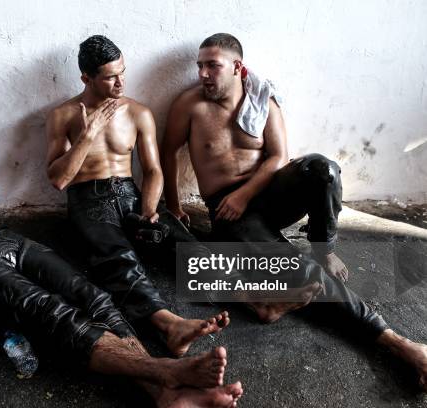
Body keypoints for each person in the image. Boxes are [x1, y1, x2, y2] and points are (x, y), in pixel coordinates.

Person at [161, 32, 427, 390]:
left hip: (265, 194)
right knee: (302, 275)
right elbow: (167, 152)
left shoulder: (261, 99)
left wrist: (246, 194)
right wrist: (175, 205)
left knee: (322, 168)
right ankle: (397, 342)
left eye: (212, 65)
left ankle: (324, 248)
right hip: (229, 214)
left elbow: (278, 157)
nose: (203, 73)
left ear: (237, 67)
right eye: (200, 66)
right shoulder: (189, 105)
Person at [0, 180, 243, 407]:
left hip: (9, 240)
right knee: (52, 312)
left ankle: (163, 392)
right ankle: (169, 372)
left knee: (93, 297)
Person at [45, 35, 226, 358]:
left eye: (123, 72)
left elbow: (153, 170)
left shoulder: (137, 112)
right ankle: (169, 325)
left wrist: (148, 209)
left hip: (131, 195)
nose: (120, 82)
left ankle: (261, 297)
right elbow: (59, 180)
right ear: (86, 78)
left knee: (178, 238)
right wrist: (88, 135)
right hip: (88, 201)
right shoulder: (64, 115)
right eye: (110, 76)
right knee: (119, 258)